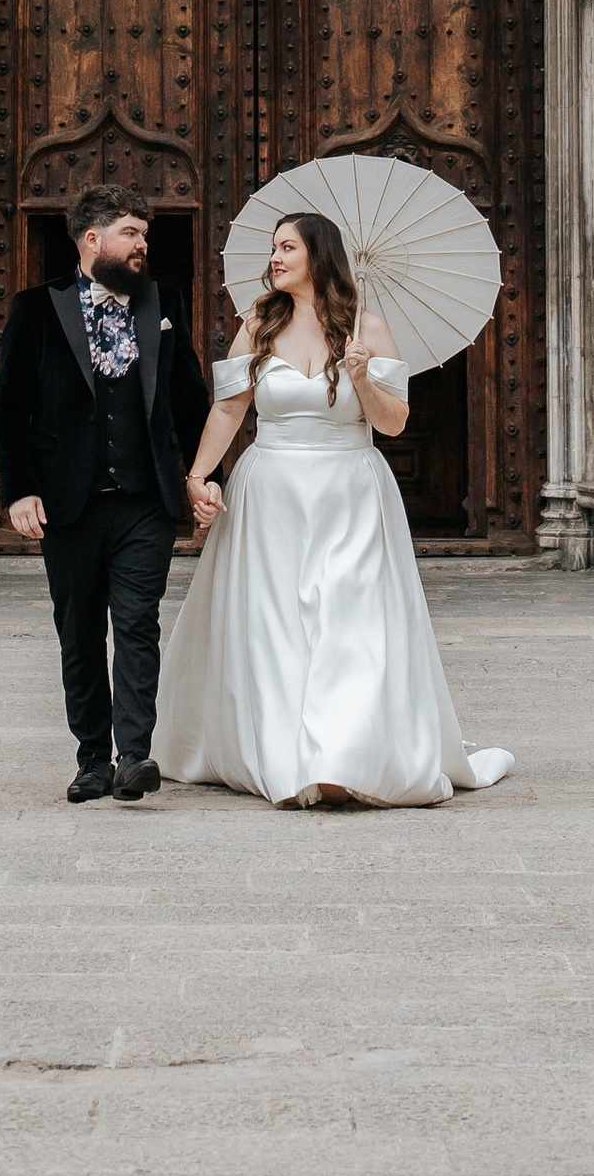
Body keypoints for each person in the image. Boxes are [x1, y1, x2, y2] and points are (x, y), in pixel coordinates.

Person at [154, 207, 513, 808]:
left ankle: (343, 756)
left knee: (348, 623)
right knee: (273, 627)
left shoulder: (367, 329)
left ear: (317, 256)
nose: (275, 258)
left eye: (287, 248)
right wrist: (196, 476)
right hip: (269, 491)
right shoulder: (256, 326)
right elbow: (228, 410)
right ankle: (282, 753)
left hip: (350, 489)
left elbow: (393, 424)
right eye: (274, 248)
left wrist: (363, 377)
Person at [0, 182, 213, 803]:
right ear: (92, 239)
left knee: (139, 623)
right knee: (80, 632)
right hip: (69, 500)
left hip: (146, 498)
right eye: (131, 233)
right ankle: (91, 760)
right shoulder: (37, 308)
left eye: (144, 234)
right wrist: (18, 492)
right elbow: (11, 408)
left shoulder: (163, 303)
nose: (144, 243)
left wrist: (204, 472)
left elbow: (190, 399)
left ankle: (134, 755)